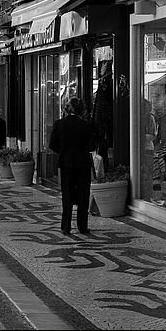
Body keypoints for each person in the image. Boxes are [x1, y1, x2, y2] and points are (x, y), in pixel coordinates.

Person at [48, 97, 96, 235]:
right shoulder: (86, 125)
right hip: (83, 164)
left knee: (67, 194)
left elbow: (52, 144)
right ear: (82, 110)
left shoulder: (59, 124)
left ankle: (66, 226)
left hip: (66, 163)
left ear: (67, 109)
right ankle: (82, 226)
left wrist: (62, 151)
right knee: (83, 194)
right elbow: (91, 147)